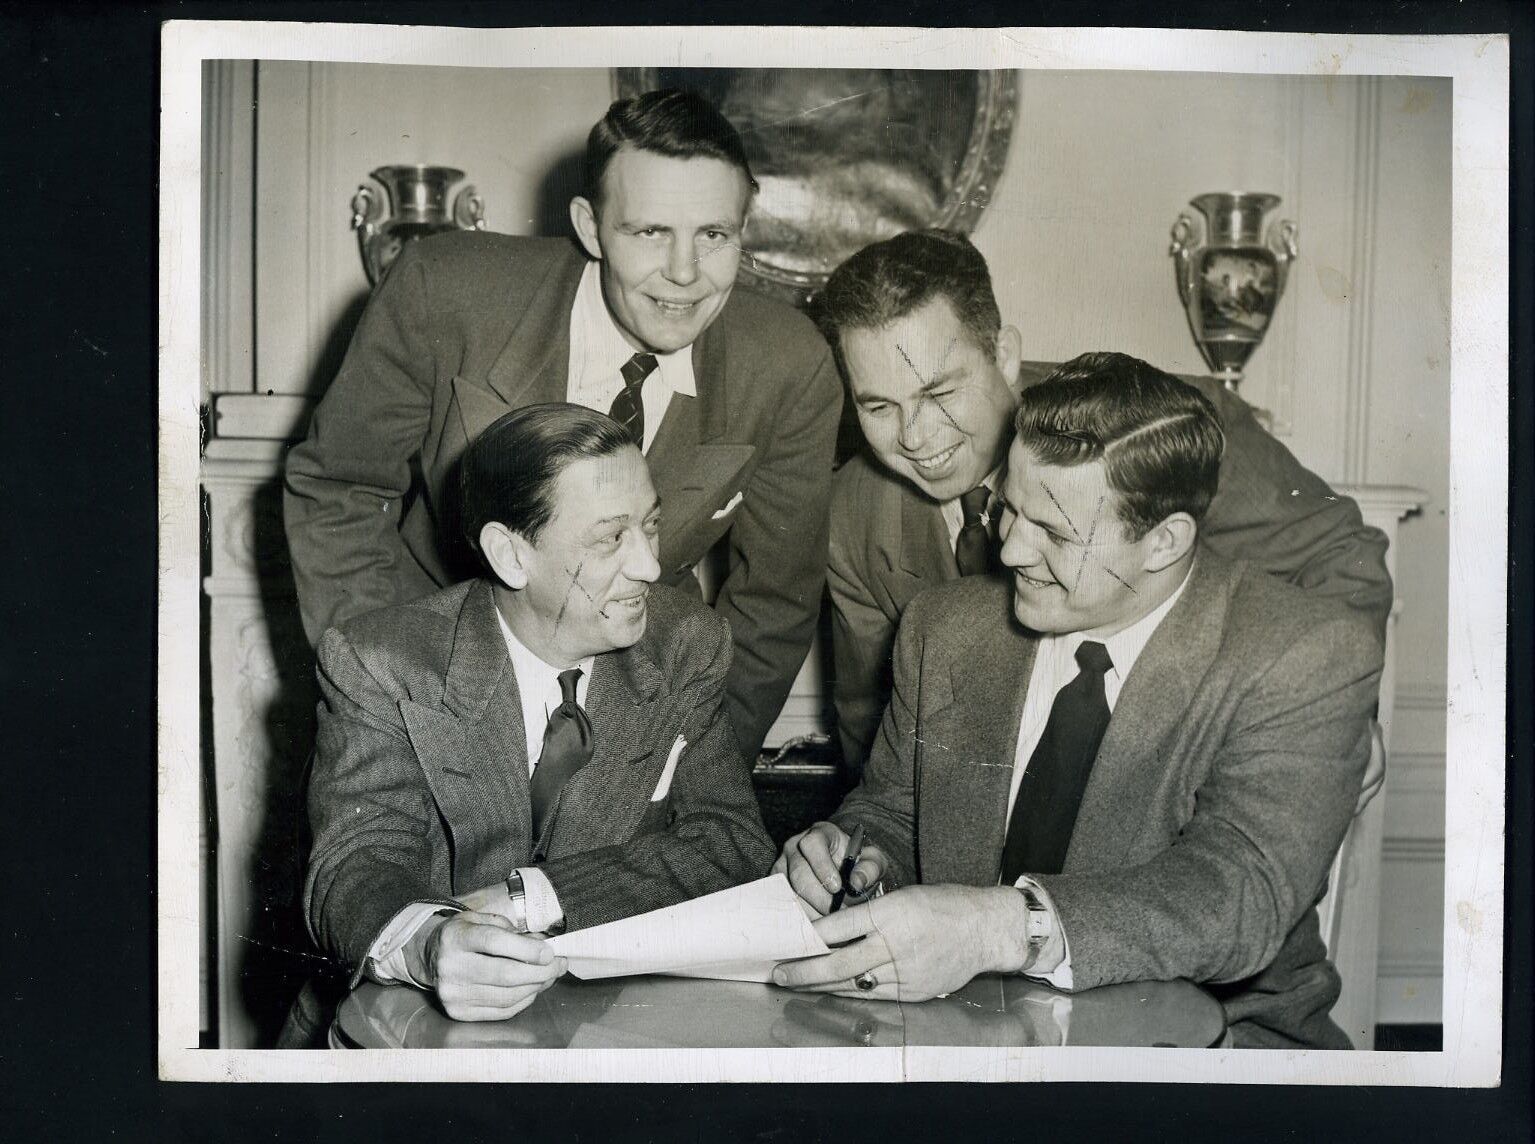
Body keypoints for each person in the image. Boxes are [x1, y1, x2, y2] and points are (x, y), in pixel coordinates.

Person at [773, 355, 1384, 1049]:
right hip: (964, 1036)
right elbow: (892, 811)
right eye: (1008, 509)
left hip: (1213, 1056)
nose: (1008, 552)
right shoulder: (943, 627)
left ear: (1163, 541)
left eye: (1055, 533)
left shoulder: (1300, 652)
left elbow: (1236, 895)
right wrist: (851, 857)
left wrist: (1000, 929)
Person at [284, 89, 841, 758]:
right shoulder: (443, 290)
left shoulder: (787, 364)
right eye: (649, 231)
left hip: (632, 702)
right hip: (430, 667)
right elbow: (338, 487)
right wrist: (381, 694)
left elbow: (774, 600)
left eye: (713, 235)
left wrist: (686, 762)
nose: (685, 275)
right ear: (589, 225)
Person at [818, 229, 1392, 773]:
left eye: (939, 392)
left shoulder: (1163, 427)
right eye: (878, 408)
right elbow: (871, 736)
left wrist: (1334, 720)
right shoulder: (852, 515)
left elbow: (1343, 554)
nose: (915, 437)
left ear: (1005, 354)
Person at [305, 404, 776, 1022]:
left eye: (651, 525)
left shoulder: (683, 644)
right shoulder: (383, 661)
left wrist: (538, 898)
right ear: (510, 555)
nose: (651, 566)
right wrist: (430, 944)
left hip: (611, 1028)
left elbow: (733, 842)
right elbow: (355, 863)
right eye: (611, 538)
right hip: (403, 1029)